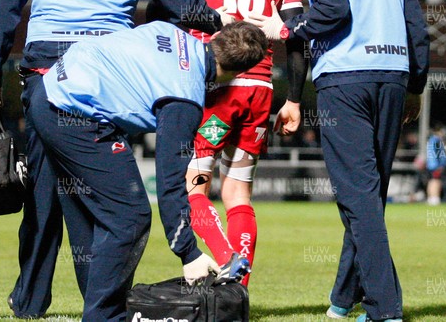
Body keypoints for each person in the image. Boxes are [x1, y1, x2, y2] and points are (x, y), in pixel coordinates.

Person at [0, 0, 232, 318]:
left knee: (42, 196)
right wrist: (221, 23)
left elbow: (1, 13)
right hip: (101, 84)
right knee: (95, 199)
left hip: (41, 79)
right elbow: (180, 4)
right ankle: (102, 300)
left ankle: (30, 301)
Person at [247, 0, 430, 322]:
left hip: (346, 81)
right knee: (368, 195)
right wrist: (416, 86)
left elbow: (332, 11)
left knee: (357, 197)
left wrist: (288, 31)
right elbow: (417, 27)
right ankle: (343, 299)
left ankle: (385, 309)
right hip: (392, 76)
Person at [27, 20, 268, 321]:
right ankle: (104, 317)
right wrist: (188, 253)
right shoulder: (185, 98)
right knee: (131, 216)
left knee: (88, 217)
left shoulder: (171, 32)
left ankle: (101, 311)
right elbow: (170, 183)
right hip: (74, 115)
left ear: (216, 37)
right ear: (239, 72)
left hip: (47, 92)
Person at [168, 0, 305, 285]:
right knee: (238, 192)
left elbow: (165, 3)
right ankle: (239, 290)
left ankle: (229, 261)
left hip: (217, 85)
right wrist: (293, 98)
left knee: (193, 185)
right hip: (260, 89)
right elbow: (297, 36)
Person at [426, 125, 446, 205]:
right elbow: (436, 154)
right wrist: (439, 165)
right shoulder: (436, 141)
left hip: (431, 165)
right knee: (436, 181)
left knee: (432, 181)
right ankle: (435, 198)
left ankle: (431, 198)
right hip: (435, 165)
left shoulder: (431, 140)